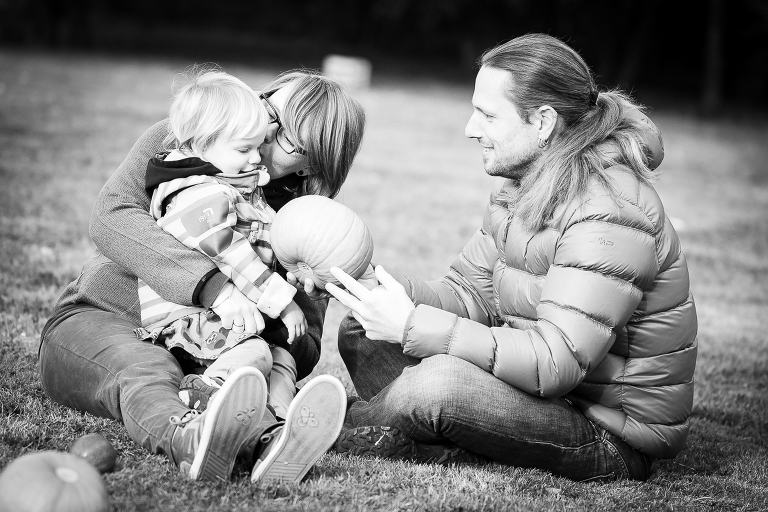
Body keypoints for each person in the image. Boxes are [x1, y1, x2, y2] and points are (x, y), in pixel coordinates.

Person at [327, 33, 696, 481]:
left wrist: (411, 325)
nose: (470, 128)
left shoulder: (608, 211)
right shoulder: (522, 183)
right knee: (361, 326)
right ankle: (422, 436)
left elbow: (556, 362)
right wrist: (374, 287)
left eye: (486, 113)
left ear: (542, 122)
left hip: (604, 433)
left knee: (440, 383)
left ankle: (329, 427)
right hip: (537, 395)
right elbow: (469, 294)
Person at [38, 69, 366, 484]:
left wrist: (297, 292)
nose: (264, 130)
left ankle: (270, 442)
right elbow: (111, 217)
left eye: (285, 137)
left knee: (252, 372)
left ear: (310, 164)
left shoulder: (307, 224)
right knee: (149, 369)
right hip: (105, 319)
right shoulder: (188, 137)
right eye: (269, 110)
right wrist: (217, 289)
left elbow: (304, 345)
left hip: (210, 351)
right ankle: (188, 439)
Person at [138, 68, 305, 419]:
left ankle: (279, 418)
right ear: (202, 145)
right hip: (190, 318)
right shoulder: (201, 195)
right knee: (257, 354)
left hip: (220, 319)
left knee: (281, 359)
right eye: (245, 149)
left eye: (259, 147)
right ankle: (210, 394)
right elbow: (231, 253)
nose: (258, 157)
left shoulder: (232, 183)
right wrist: (284, 302)